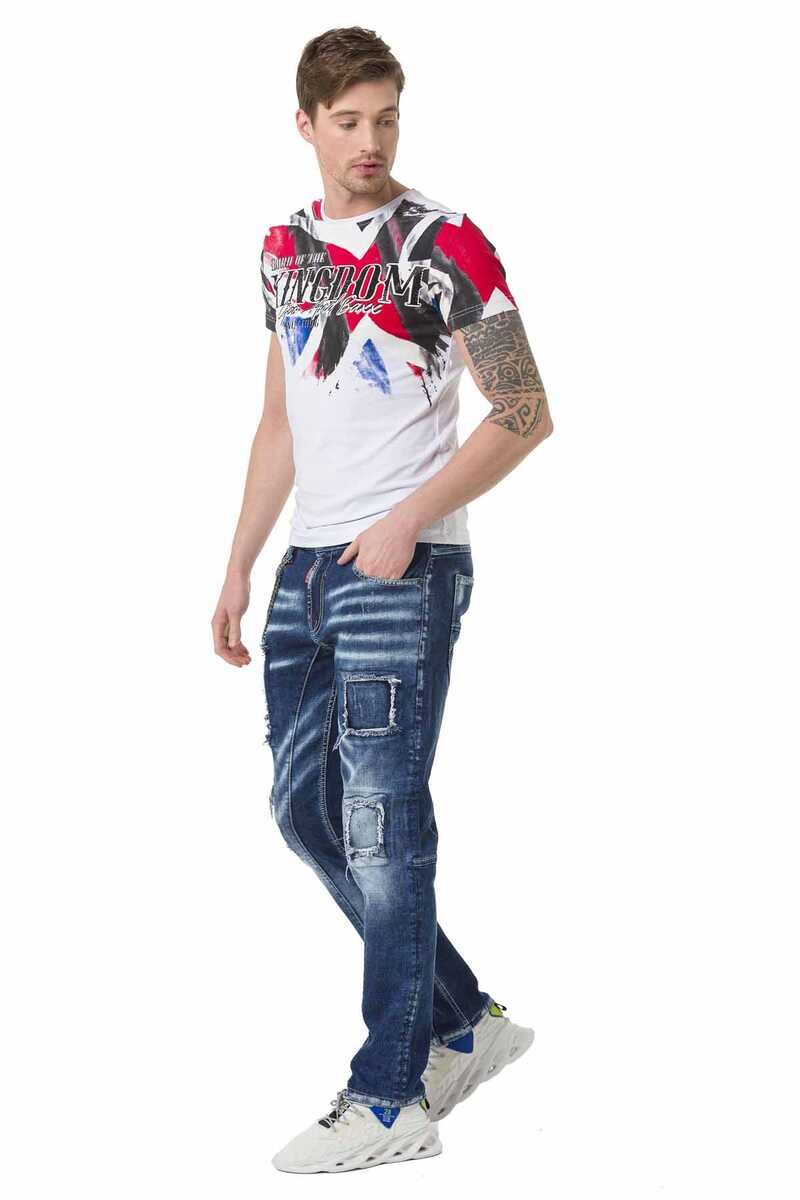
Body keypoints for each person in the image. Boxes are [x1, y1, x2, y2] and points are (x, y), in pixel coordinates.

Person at [211, 26, 554, 1174]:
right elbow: (279, 420)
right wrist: (241, 563)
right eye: (348, 121)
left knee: (381, 823)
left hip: (403, 569)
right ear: (304, 125)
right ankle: (462, 1020)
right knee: (304, 812)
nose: (370, 141)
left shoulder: (445, 241)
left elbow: (522, 409)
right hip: (308, 567)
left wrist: (408, 520)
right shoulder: (282, 248)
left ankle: (390, 1096)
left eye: (386, 118)